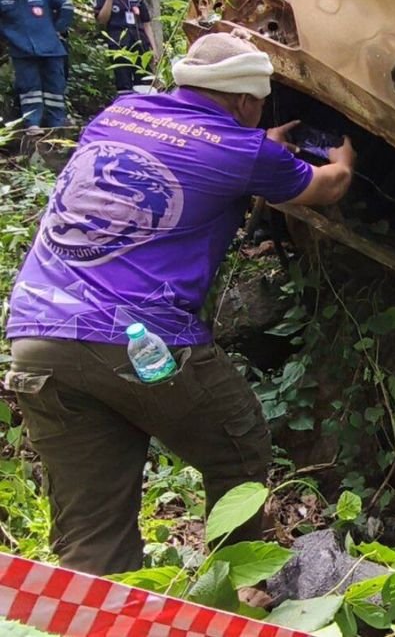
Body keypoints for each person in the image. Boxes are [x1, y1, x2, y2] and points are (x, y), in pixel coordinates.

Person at [2, 32, 357, 576]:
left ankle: (97, 611)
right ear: (244, 100)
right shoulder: (244, 151)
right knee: (238, 445)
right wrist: (344, 155)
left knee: (92, 531)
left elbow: (185, 143)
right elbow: (328, 187)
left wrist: (259, 142)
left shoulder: (120, 111)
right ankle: (234, 583)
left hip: (35, 338)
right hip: (137, 343)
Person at [0, 0, 72, 132]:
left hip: (51, 49)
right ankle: (32, 123)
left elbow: (67, 4)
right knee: (28, 87)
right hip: (22, 50)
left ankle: (56, 123)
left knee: (55, 87)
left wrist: (58, 28)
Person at [94, 0, 160, 96]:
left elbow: (146, 23)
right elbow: (102, 19)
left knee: (143, 83)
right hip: (119, 45)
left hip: (140, 44)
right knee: (124, 83)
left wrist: (153, 48)